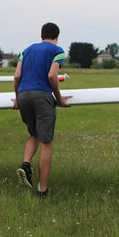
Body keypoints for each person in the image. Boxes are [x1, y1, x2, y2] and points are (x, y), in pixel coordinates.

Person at [13, 22, 71, 198]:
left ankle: (25, 164)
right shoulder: (57, 51)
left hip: (23, 95)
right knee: (46, 142)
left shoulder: (26, 51)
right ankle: (43, 191)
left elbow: (17, 76)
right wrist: (59, 98)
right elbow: (52, 76)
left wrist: (17, 97)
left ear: (41, 36)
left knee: (34, 135)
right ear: (57, 36)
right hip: (42, 96)